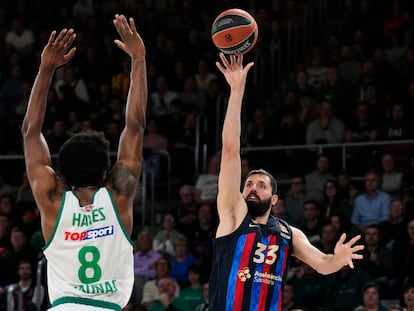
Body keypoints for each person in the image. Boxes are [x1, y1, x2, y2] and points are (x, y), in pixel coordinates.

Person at [209, 53, 364, 311]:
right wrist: (236, 91)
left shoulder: (289, 233)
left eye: (261, 186)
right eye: (248, 184)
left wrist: (338, 259)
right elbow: (229, 148)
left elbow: (323, 264)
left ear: (275, 199)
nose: (252, 189)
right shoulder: (232, 213)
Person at [21, 14, 147, 311]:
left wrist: (46, 69)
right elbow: (136, 126)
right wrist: (138, 59)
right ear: (107, 171)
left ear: (60, 174)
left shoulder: (51, 199)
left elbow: (30, 132)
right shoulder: (118, 195)